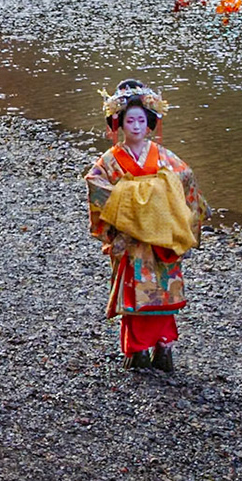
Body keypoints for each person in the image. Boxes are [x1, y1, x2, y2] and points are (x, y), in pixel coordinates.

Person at [85, 79, 204, 371]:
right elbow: (95, 184)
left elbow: (186, 180)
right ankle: (136, 350)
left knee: (163, 292)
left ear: (149, 122)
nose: (136, 126)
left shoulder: (162, 156)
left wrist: (170, 210)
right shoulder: (111, 160)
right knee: (133, 293)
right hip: (130, 239)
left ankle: (164, 347)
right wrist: (130, 206)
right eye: (130, 120)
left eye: (141, 120)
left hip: (161, 236)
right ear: (119, 124)